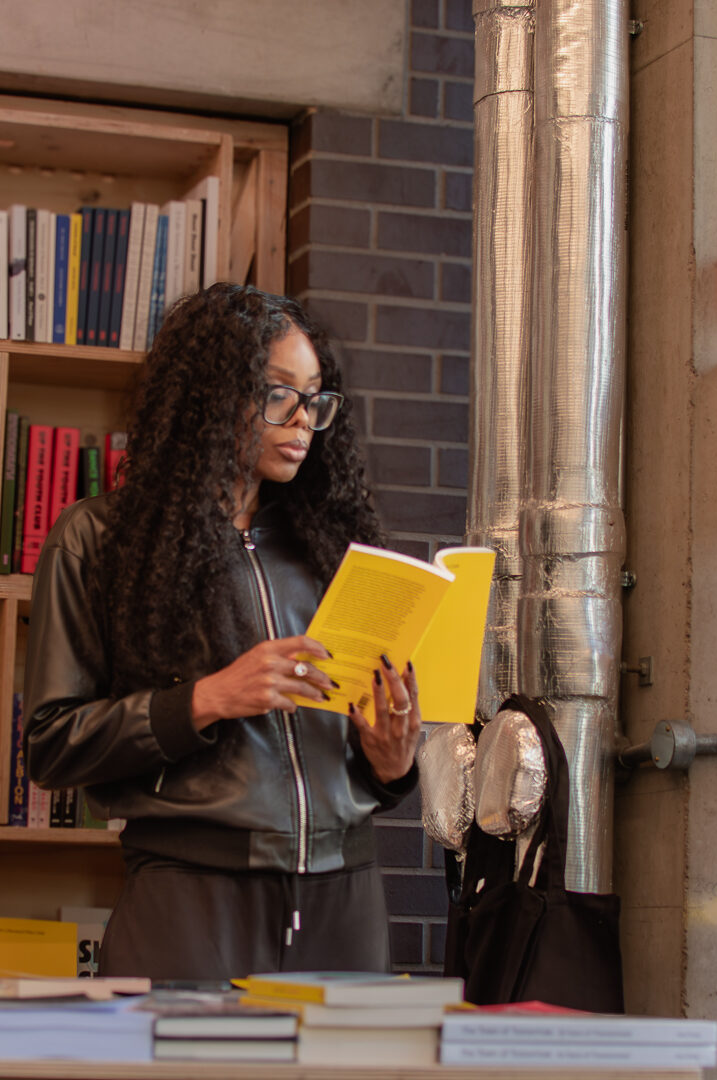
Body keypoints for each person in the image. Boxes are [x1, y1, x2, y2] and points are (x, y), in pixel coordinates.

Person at [24, 283, 423, 980]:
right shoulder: (100, 540)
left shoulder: (331, 551)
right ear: (212, 397)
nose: (303, 421)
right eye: (278, 395)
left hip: (345, 897)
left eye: (316, 400)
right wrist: (208, 699)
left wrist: (391, 766)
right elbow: (54, 744)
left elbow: (348, 758)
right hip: (190, 897)